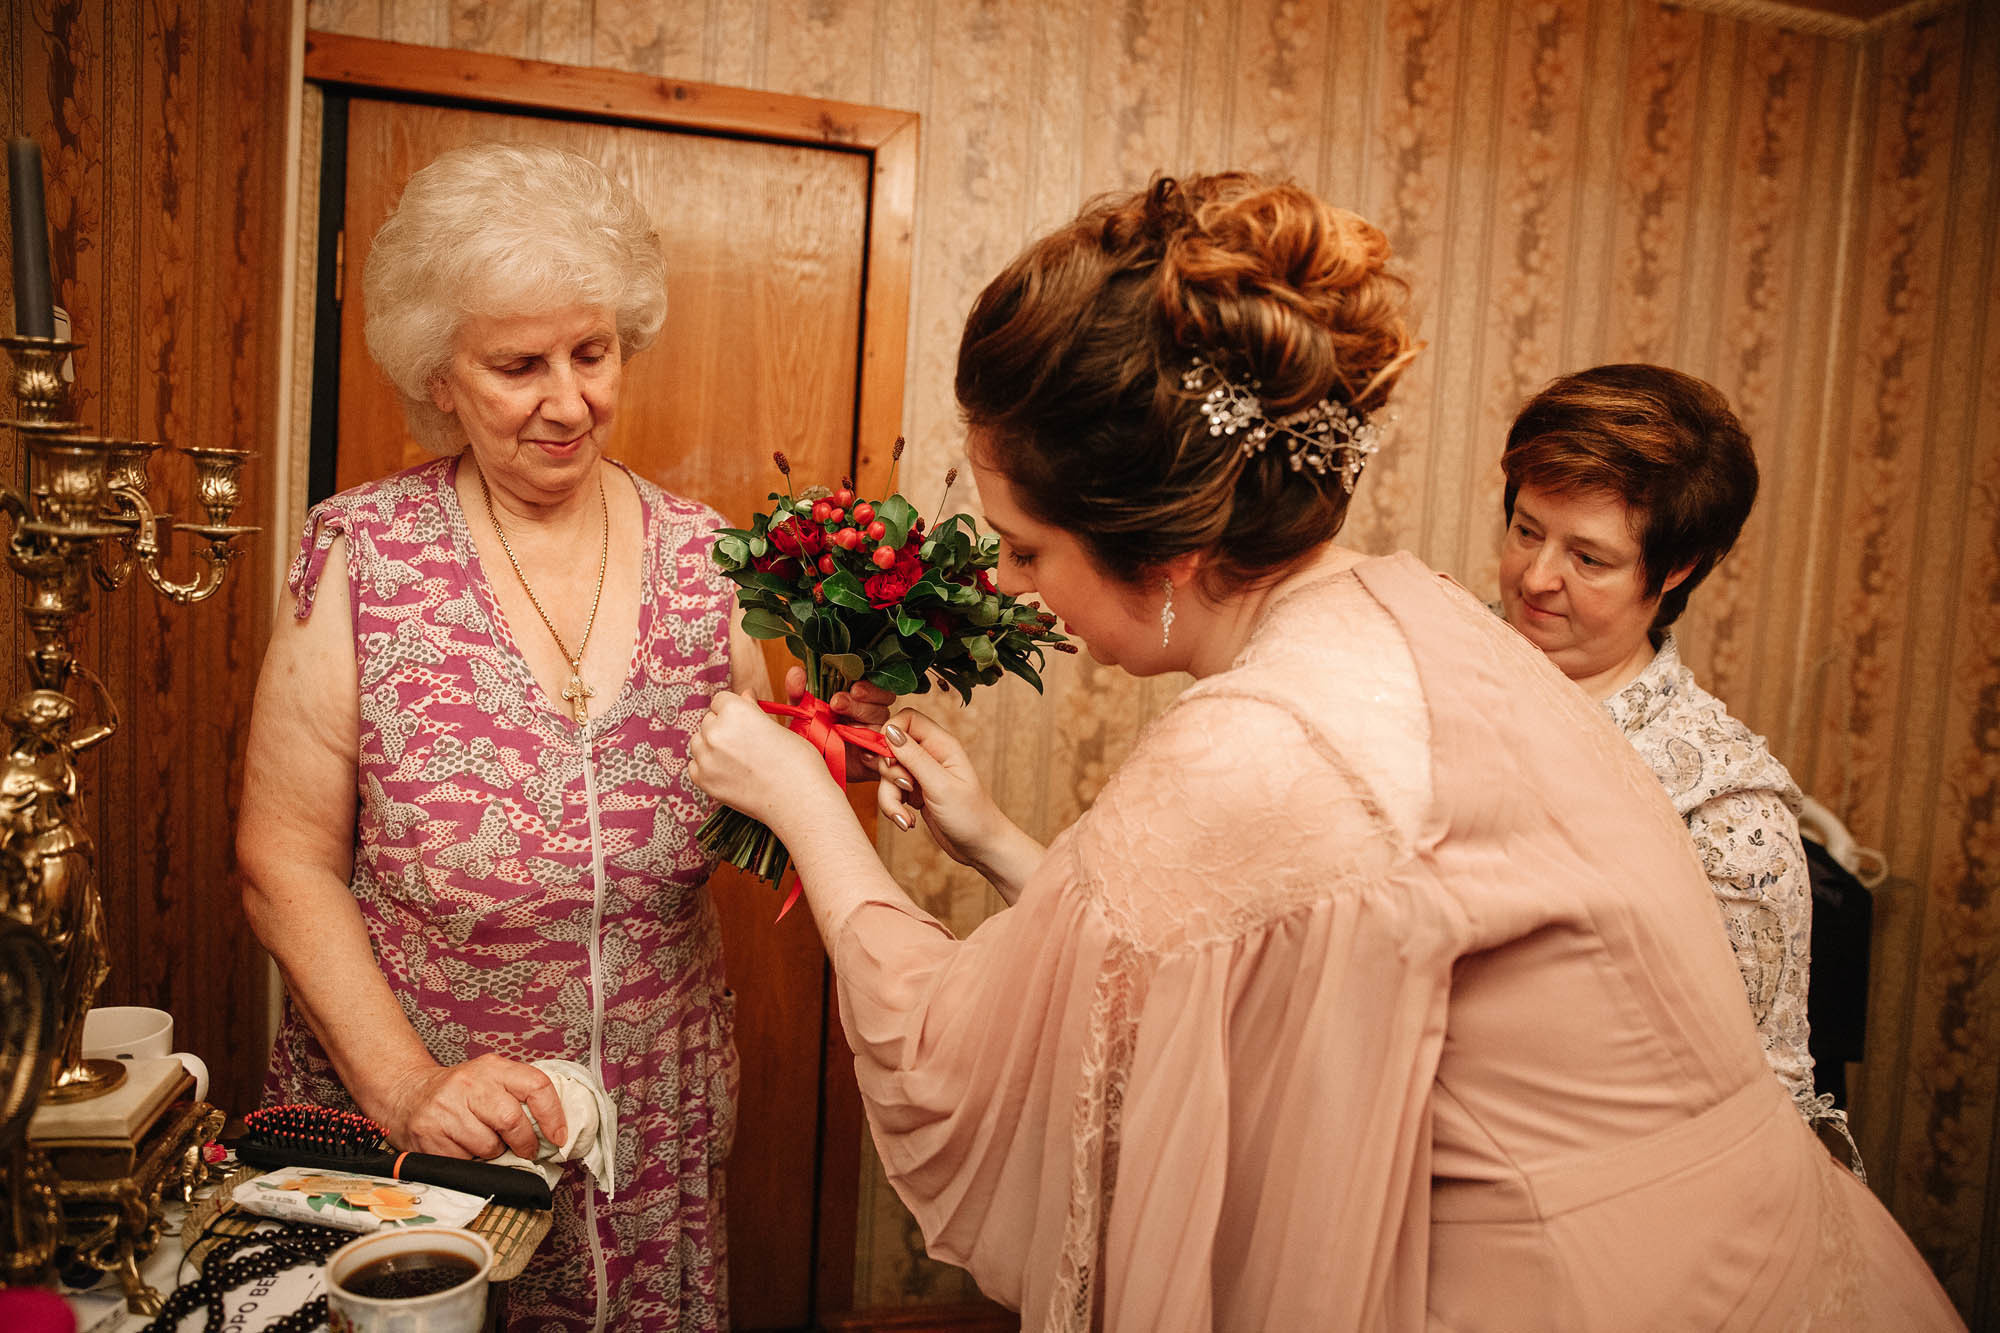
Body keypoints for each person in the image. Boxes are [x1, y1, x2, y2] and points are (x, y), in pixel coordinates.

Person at [687, 173, 1961, 1330]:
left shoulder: (1263, 742)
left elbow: (956, 1051)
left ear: (1168, 551)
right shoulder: (1417, 618)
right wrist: (983, 834)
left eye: (1027, 550)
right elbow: (1211, 970)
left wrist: (806, 803)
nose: (1020, 593)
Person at [237, 141, 887, 1331]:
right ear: (438, 371)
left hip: (651, 1122)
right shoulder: (362, 556)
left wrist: (832, 747)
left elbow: (755, 823)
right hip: (423, 1135)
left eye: (592, 354)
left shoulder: (705, 561)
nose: (568, 399)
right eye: (516, 365)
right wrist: (407, 1084)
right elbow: (283, 860)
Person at [1493, 365, 1852, 1161]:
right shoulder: (1420, 654)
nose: (1535, 578)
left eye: (1588, 558)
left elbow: (1767, 1102)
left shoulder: (1727, 813)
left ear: (1676, 569)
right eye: (1525, 529)